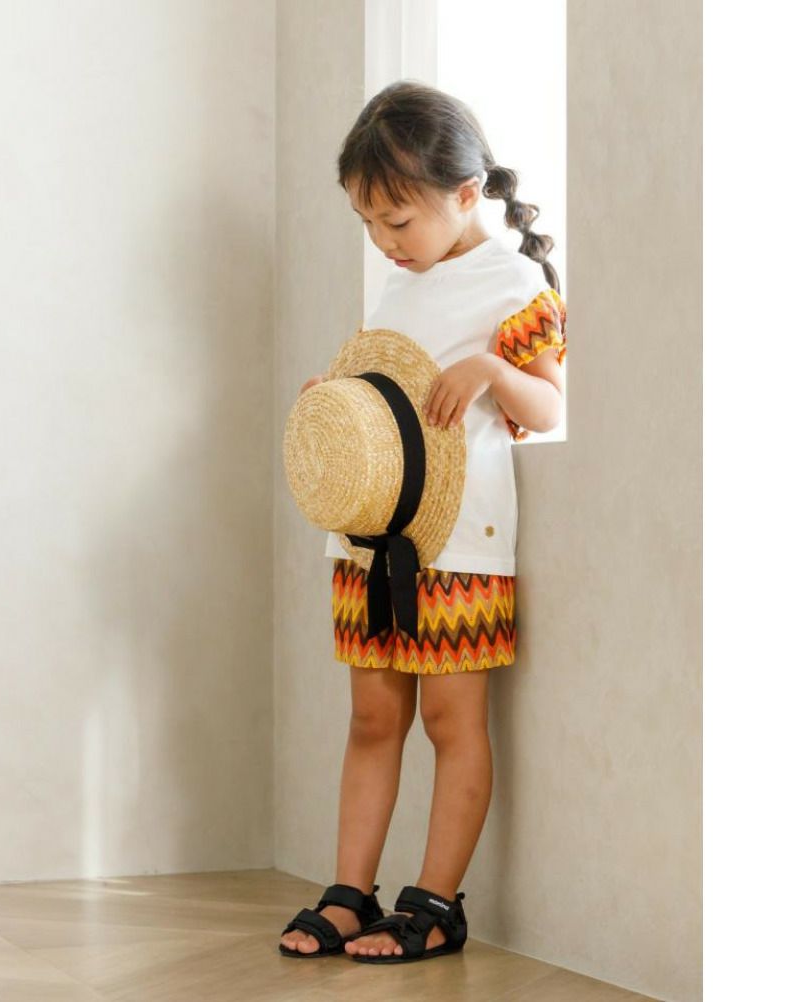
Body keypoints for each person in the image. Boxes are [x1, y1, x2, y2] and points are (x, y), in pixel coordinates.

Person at [279, 81, 567, 963]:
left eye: (397, 220)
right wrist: (339, 406)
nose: (384, 242)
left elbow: (548, 406)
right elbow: (387, 395)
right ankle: (349, 891)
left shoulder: (512, 282)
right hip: (372, 538)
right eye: (368, 222)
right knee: (372, 719)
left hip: (461, 545)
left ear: (466, 193)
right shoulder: (396, 287)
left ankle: (436, 903)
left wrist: (492, 371)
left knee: (450, 722)